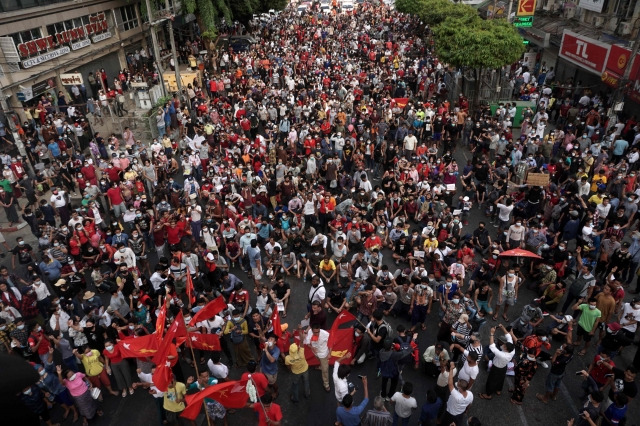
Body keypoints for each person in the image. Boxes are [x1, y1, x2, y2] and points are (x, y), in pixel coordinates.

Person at [478, 325, 515, 400]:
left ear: (506, 349)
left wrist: (492, 333)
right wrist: (503, 328)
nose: (503, 345)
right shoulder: (512, 350)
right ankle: (498, 390)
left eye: (504, 345)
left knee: (491, 381)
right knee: (501, 379)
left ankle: (488, 394)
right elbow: (508, 336)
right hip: (504, 367)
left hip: (496, 368)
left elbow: (492, 346)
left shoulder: (502, 354)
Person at [440, 361, 473, 426]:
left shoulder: (457, 396)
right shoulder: (470, 394)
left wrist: (451, 368)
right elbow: (469, 404)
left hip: (450, 413)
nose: (457, 383)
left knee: (445, 423)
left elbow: (450, 384)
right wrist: (466, 410)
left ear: (460, 388)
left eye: (458, 383)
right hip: (460, 413)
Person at [304, 323, 331, 392]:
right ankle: (321, 366)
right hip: (316, 353)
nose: (317, 333)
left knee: (325, 370)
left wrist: (330, 353)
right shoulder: (309, 332)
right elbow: (307, 343)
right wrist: (312, 348)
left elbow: (331, 343)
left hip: (323, 354)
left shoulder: (325, 334)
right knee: (320, 362)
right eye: (315, 332)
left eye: (318, 331)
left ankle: (326, 384)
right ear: (312, 330)